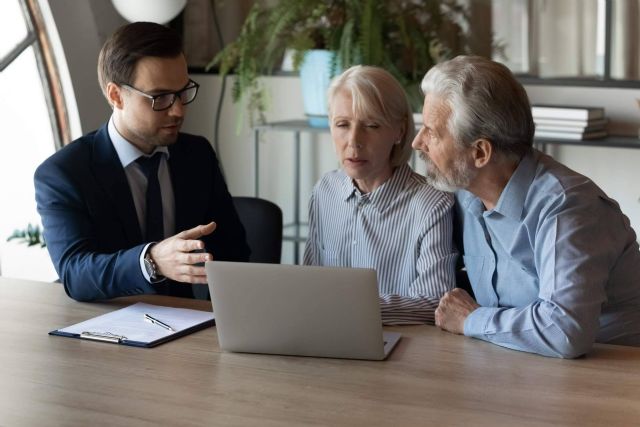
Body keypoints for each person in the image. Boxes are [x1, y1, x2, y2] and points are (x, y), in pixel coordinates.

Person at [412, 55, 640, 358]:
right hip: (516, 367)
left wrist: (471, 319)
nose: (417, 142)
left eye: (432, 132)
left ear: (480, 152)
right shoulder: (466, 195)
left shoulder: (569, 208)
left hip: (610, 376)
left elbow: (564, 331)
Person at [34, 22, 249, 301]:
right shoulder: (64, 173)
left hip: (188, 326)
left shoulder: (197, 155)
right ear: (116, 96)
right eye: (160, 97)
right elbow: (75, 273)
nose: (178, 110)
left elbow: (234, 251)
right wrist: (151, 261)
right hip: (107, 330)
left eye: (183, 91)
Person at [304, 65, 457, 325]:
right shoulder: (324, 192)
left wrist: (349, 307)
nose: (354, 141)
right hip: (325, 340)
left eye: (372, 125)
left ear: (399, 131)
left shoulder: (432, 204)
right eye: (342, 124)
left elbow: (435, 302)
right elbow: (308, 285)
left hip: (403, 349)